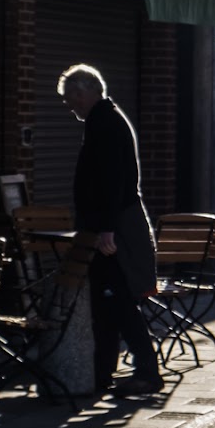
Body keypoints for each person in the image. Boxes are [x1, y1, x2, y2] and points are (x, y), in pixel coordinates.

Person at [60, 63, 162, 397]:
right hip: (111, 225)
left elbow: (112, 180)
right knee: (106, 302)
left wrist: (105, 229)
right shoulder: (104, 119)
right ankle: (103, 372)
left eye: (69, 98)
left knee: (116, 300)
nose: (68, 105)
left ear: (83, 92)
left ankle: (146, 372)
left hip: (113, 228)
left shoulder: (105, 122)